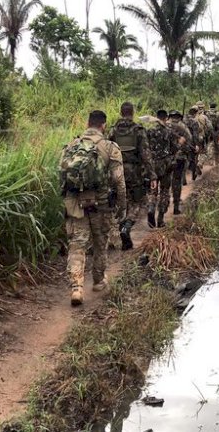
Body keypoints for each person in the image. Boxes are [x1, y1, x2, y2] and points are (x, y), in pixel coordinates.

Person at [60, 110, 126, 306]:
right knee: (100, 242)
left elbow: (62, 176)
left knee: (77, 245)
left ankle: (76, 288)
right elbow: (119, 180)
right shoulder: (110, 147)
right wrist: (122, 205)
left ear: (87, 123)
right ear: (103, 126)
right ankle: (98, 281)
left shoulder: (72, 145)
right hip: (101, 204)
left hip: (76, 204)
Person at [108, 102, 157, 250]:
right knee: (137, 201)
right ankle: (126, 227)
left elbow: (106, 151)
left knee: (119, 201)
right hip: (135, 173)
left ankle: (118, 233)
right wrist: (152, 175)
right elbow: (146, 154)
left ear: (121, 112)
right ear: (133, 112)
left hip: (116, 172)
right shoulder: (139, 130)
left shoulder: (113, 130)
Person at [145, 109, 176, 228]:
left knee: (152, 190)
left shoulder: (149, 130)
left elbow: (145, 148)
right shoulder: (168, 131)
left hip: (152, 165)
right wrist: (181, 142)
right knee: (164, 191)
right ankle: (161, 219)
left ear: (156, 117)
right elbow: (174, 149)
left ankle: (151, 208)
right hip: (165, 166)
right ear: (166, 118)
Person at [168, 110, 193, 215]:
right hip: (179, 158)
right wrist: (186, 152)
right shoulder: (183, 127)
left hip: (166, 159)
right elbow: (189, 140)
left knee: (165, 182)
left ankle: (162, 203)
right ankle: (176, 207)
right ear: (179, 117)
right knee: (177, 181)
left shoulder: (164, 126)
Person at [184, 106, 202, 181]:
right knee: (194, 159)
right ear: (195, 114)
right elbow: (195, 135)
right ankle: (193, 175)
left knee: (183, 160)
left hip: (182, 143)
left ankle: (183, 178)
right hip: (191, 144)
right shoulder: (194, 122)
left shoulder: (183, 120)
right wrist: (197, 145)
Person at [205, 101, 219, 165]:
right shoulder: (218, 114)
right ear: (215, 107)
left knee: (209, 145)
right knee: (216, 146)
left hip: (208, 132)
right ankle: (217, 161)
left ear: (209, 106)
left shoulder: (206, 113)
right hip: (216, 132)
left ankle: (210, 161)